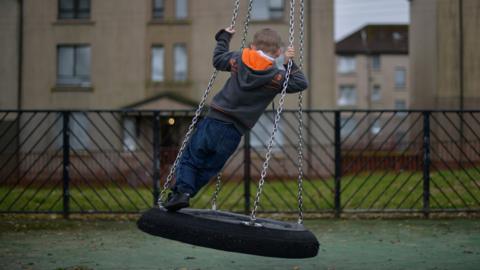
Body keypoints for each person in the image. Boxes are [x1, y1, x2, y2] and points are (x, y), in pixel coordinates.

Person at [164, 26, 308, 211]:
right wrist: (289, 63)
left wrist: (224, 37)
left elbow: (217, 60)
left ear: (252, 46)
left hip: (214, 120)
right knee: (210, 168)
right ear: (279, 52)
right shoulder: (277, 77)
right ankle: (184, 194)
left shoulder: (239, 59)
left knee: (191, 158)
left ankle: (181, 193)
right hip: (234, 131)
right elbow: (300, 83)